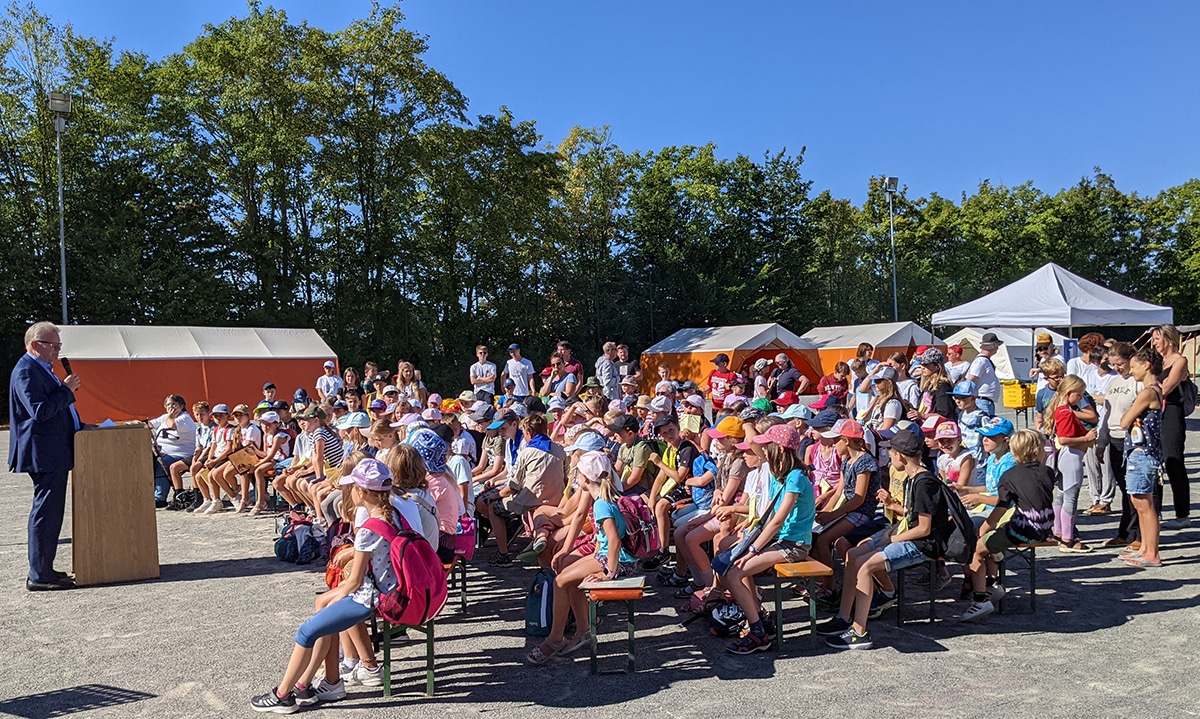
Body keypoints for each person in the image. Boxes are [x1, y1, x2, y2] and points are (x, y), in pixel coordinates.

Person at [249, 458, 396, 712]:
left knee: (306, 632)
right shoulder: (392, 516)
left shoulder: (368, 529)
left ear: (361, 491)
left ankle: (283, 695)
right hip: (388, 589)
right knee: (325, 614)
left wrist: (334, 596)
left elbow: (355, 581)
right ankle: (317, 684)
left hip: (370, 597)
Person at [818, 428, 946, 650]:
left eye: (891, 452)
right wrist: (890, 530)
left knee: (866, 566)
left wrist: (891, 540)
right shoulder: (913, 478)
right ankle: (844, 617)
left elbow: (924, 529)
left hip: (922, 543)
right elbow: (910, 516)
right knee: (852, 554)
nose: (888, 456)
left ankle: (860, 632)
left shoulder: (925, 482)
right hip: (904, 532)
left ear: (900, 456)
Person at [526, 451, 635, 664]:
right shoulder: (605, 495)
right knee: (568, 578)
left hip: (615, 561)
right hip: (610, 556)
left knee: (560, 581)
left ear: (584, 478)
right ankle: (583, 629)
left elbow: (613, 541)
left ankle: (555, 639)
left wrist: (608, 574)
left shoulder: (601, 503)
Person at [722, 424, 816, 654]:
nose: (762, 448)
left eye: (768, 445)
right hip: (781, 541)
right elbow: (769, 517)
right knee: (733, 565)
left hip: (795, 544)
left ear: (780, 450)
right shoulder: (778, 473)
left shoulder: (795, 477)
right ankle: (761, 620)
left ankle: (758, 632)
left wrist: (753, 549)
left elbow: (777, 521)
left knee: (735, 572)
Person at [9, 321, 80, 591]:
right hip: (43, 453)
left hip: (53, 451)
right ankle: (39, 575)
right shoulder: (27, 371)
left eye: (60, 345)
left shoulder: (42, 369)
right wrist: (66, 390)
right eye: (54, 345)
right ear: (35, 345)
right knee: (45, 513)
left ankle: (45, 568)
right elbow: (39, 411)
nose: (58, 350)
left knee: (51, 512)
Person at [960, 428, 1056, 621]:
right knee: (992, 539)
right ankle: (993, 584)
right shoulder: (1048, 471)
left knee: (975, 549)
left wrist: (985, 527)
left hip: (1024, 529)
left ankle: (980, 600)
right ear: (1037, 450)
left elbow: (1001, 507)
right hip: (1046, 528)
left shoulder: (1009, 476)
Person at [1120, 345, 1165, 567]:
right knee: (1139, 503)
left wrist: (1128, 416)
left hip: (1142, 452)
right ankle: (1146, 548)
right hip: (1142, 451)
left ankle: (1152, 552)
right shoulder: (1155, 390)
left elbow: (1124, 421)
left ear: (1146, 365)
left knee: (1144, 505)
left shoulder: (1148, 392)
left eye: (1135, 366)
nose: (1131, 371)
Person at [1046, 375, 1097, 552]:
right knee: (1070, 498)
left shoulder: (1059, 409)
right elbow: (1065, 438)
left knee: (1060, 495)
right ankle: (1068, 538)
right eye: (1079, 394)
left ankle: (1059, 532)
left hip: (1065, 456)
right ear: (1069, 393)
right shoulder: (1066, 412)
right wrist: (1086, 437)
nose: (1081, 398)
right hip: (1071, 456)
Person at [1099, 342, 1142, 548]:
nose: (1116, 368)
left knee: (1136, 489)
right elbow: (1107, 413)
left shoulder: (1137, 382)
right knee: (1124, 489)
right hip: (1114, 438)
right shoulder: (1113, 381)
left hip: (1131, 438)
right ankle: (1125, 532)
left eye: (1120, 364)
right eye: (1113, 364)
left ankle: (1138, 534)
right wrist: (1101, 441)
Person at [1152, 324, 1191, 529]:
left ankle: (1182, 514)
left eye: (1157, 338)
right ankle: (1154, 512)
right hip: (1155, 413)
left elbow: (1166, 388)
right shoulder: (1157, 361)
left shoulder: (1179, 361)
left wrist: (1149, 390)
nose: (1154, 343)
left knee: (1173, 461)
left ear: (1168, 339)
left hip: (1171, 414)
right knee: (1154, 461)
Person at [149, 394, 197, 509]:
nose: (171, 407)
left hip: (181, 453)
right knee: (146, 461)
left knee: (162, 463)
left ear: (182, 406)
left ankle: (160, 497)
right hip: (162, 451)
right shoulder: (165, 417)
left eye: (174, 404)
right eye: (168, 404)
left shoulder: (184, 418)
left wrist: (170, 417)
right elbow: (150, 424)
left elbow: (172, 425)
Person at [966, 332, 1003, 415]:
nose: (997, 348)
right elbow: (971, 380)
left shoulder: (984, 361)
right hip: (981, 401)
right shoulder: (981, 361)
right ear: (993, 346)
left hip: (985, 401)